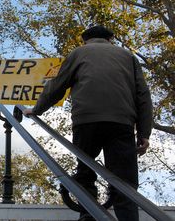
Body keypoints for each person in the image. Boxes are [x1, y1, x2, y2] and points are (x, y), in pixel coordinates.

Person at [23, 25, 152, 221]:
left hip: (86, 121)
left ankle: (88, 215)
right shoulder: (128, 57)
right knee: (124, 181)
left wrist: (37, 109)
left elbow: (57, 85)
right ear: (110, 39)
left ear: (85, 40)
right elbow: (143, 95)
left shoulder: (78, 53)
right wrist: (144, 132)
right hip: (121, 123)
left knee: (85, 170)